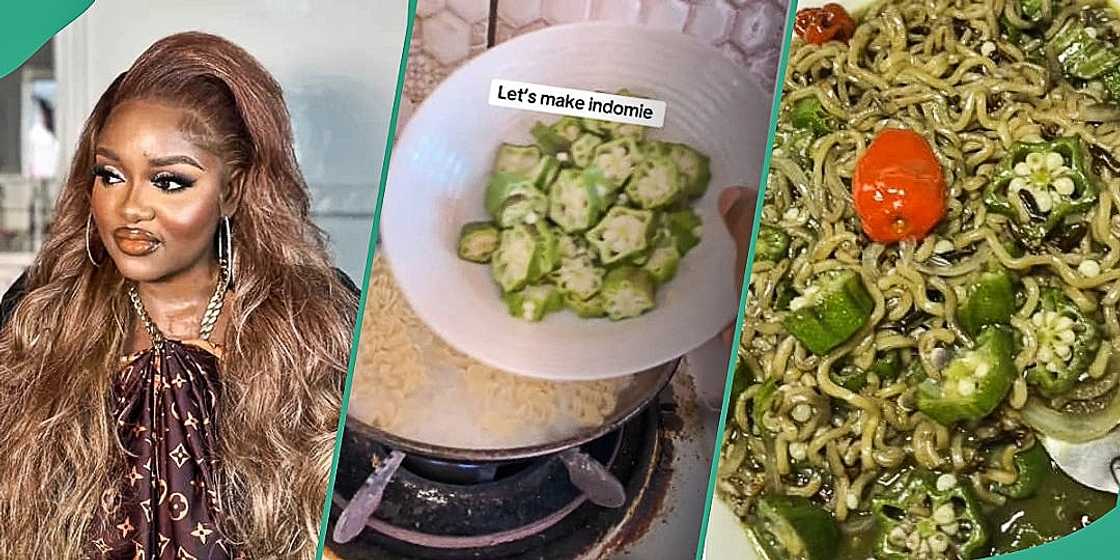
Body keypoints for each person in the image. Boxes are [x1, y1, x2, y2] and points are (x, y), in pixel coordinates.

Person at [0, 32, 358, 559]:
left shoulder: (320, 321)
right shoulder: (40, 311)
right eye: (111, 175)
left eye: (168, 182)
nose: (130, 208)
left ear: (232, 191)